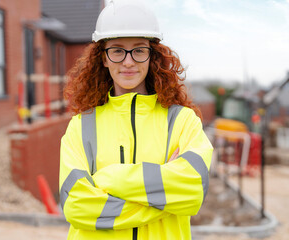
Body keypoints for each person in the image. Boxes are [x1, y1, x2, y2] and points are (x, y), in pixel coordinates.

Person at [59, 0, 213, 239]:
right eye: (118, 50)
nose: (128, 61)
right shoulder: (80, 127)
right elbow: (76, 205)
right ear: (104, 58)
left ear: (152, 56)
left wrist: (109, 178)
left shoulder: (183, 122)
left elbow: (192, 192)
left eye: (139, 50)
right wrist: (162, 200)